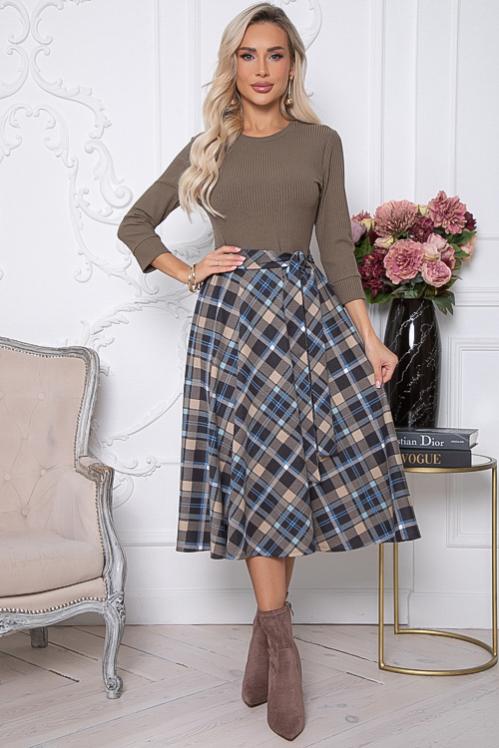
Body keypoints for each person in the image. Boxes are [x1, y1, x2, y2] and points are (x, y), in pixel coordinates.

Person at [117, 3, 422, 741]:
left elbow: (336, 250)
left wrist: (370, 339)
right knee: (257, 475)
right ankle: (283, 651)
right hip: (232, 329)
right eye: (248, 55)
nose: (261, 69)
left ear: (292, 67)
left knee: (292, 474)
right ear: (233, 65)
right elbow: (135, 224)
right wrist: (188, 270)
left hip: (305, 322)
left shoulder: (321, 143)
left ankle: (266, 640)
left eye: (275, 55)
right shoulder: (209, 146)